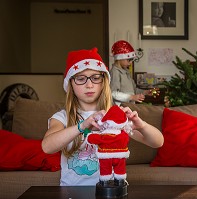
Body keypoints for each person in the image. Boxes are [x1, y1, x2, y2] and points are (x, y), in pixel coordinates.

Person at [41, 47, 164, 186]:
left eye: (95, 78)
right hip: (73, 190)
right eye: (81, 79)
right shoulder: (62, 117)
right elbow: (47, 147)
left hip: (110, 191)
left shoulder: (114, 116)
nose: (89, 85)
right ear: (70, 85)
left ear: (103, 82)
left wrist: (141, 126)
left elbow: (157, 142)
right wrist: (83, 125)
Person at [110, 40, 157, 106]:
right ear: (120, 58)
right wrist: (132, 97)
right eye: (129, 60)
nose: (130, 62)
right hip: (120, 108)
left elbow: (134, 90)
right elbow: (113, 93)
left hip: (129, 107)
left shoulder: (126, 71)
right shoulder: (115, 72)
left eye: (132, 60)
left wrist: (145, 92)